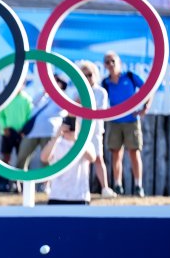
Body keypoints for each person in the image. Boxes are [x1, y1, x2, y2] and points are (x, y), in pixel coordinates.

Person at [101, 51, 151, 197]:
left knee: (134, 153)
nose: (110, 64)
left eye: (113, 61)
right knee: (116, 154)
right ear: (104, 65)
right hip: (115, 122)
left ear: (119, 62)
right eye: (107, 62)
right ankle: (117, 185)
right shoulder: (105, 82)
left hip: (131, 121)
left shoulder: (129, 77)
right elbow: (101, 100)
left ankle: (138, 186)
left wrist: (145, 107)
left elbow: (148, 89)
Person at [75, 60, 115, 198]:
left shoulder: (101, 92)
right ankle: (79, 188)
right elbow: (72, 110)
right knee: (79, 159)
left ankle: (105, 188)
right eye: (83, 75)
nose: (87, 78)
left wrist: (82, 104)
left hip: (95, 130)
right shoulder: (77, 91)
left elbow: (99, 111)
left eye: (89, 74)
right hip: (79, 130)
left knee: (98, 158)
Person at [15, 75, 69, 173]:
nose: (51, 84)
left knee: (47, 159)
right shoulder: (44, 96)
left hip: (49, 133)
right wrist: (45, 92)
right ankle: (18, 184)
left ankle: (47, 185)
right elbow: (33, 103)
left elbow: (65, 110)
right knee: (22, 156)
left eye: (55, 82)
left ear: (60, 84)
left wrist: (57, 92)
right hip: (33, 132)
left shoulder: (63, 98)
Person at [40, 119, 96, 205]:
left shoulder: (86, 144)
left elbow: (92, 158)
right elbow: (44, 158)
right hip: (57, 196)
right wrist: (56, 136)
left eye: (73, 127)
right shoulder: (56, 144)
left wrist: (77, 140)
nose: (69, 130)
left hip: (80, 196)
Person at [0, 84, 32, 168]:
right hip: (7, 132)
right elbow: (0, 115)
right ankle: (4, 179)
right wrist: (4, 127)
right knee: (6, 157)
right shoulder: (6, 98)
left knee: (22, 157)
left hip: (21, 133)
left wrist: (24, 130)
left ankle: (21, 179)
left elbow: (29, 116)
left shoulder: (26, 99)